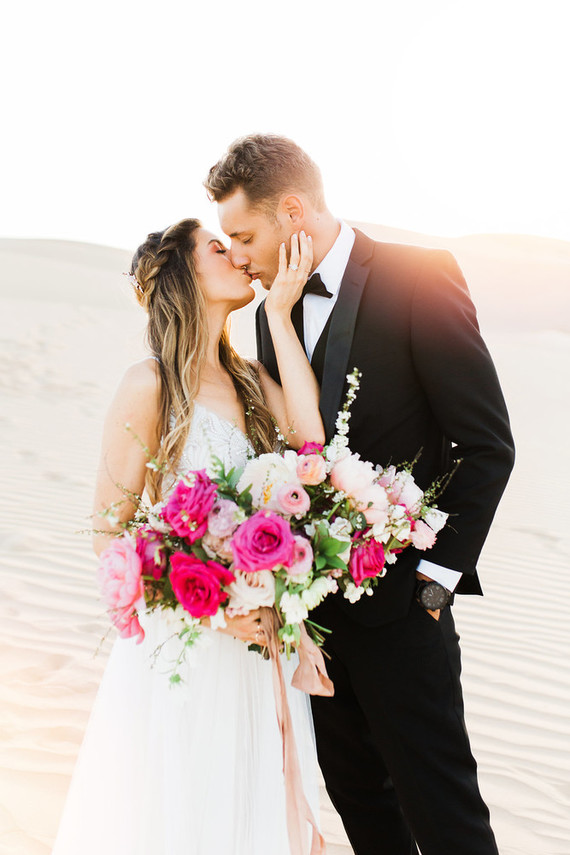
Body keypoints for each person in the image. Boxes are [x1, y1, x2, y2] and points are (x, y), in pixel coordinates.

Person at [204, 134, 516, 855]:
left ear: (292, 210)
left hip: (406, 615)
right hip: (318, 626)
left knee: (446, 820)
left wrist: (432, 587)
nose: (240, 255)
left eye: (244, 235)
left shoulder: (419, 277)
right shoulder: (261, 320)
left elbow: (488, 445)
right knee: (363, 815)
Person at [52, 219, 325, 855]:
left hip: (261, 650)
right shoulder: (148, 385)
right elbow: (108, 533)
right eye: (217, 247)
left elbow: (311, 443)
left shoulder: (254, 382)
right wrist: (214, 611)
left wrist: (281, 316)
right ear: (183, 276)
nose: (237, 255)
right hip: (191, 646)